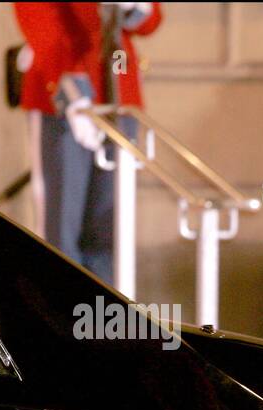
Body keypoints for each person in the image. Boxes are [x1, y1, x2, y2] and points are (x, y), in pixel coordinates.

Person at [14, 2, 161, 284]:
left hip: (118, 93)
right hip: (65, 90)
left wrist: (136, 7)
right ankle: (60, 316)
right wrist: (70, 91)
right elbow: (38, 16)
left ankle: (100, 318)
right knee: (60, 230)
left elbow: (150, 22)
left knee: (112, 227)